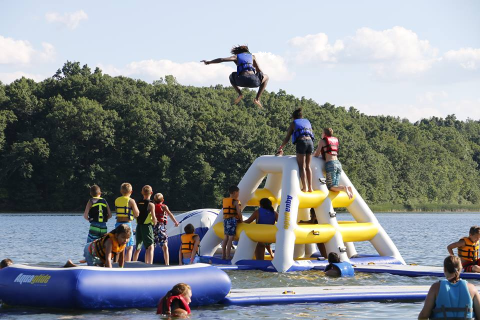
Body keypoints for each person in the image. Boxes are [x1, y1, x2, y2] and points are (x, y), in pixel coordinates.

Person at [201, 45, 269, 108]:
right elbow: (259, 70)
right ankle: (257, 99)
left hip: (241, 81)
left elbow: (221, 59)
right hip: (254, 81)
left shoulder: (236, 57)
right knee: (266, 77)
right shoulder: (252, 56)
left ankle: (240, 94)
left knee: (231, 75)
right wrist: (260, 78)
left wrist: (208, 62)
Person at [277, 108, 314, 192]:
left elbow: (287, 138)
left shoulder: (294, 123)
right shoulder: (307, 121)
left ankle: (305, 187)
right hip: (310, 142)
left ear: (294, 117)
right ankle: (311, 187)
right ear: (301, 116)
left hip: (301, 142)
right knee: (308, 166)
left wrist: (281, 147)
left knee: (302, 167)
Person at [313, 128, 353, 199]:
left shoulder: (322, 141)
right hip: (338, 164)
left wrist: (312, 156)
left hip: (331, 164)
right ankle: (347, 187)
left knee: (331, 187)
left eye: (322, 133)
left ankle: (345, 188)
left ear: (324, 134)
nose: (321, 134)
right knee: (335, 187)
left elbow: (317, 153)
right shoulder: (335, 140)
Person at [114, 182, 139, 262]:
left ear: (121, 191)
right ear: (131, 192)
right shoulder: (131, 201)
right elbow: (137, 213)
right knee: (129, 246)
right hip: (127, 224)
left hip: (118, 224)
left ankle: (116, 263)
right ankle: (127, 264)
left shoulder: (117, 200)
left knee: (118, 244)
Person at [132, 185, 157, 264]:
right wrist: (155, 223)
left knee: (138, 247)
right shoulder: (151, 204)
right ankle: (150, 264)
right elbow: (153, 217)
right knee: (150, 246)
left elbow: (135, 215)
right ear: (151, 193)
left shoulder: (137, 203)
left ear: (142, 193)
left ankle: (133, 263)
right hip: (147, 226)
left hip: (139, 225)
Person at [153, 193, 179, 265]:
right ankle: (167, 264)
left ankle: (149, 263)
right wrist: (175, 222)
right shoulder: (164, 207)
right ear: (163, 200)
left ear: (154, 200)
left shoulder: (152, 206)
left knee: (152, 246)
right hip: (161, 227)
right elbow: (170, 214)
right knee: (165, 247)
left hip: (153, 227)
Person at [221, 185, 243, 260]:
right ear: (234, 192)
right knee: (231, 238)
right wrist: (241, 220)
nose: (238, 194)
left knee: (225, 238)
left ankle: (223, 255)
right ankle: (228, 256)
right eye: (238, 193)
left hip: (225, 220)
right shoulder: (235, 201)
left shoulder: (225, 200)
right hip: (232, 220)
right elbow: (239, 212)